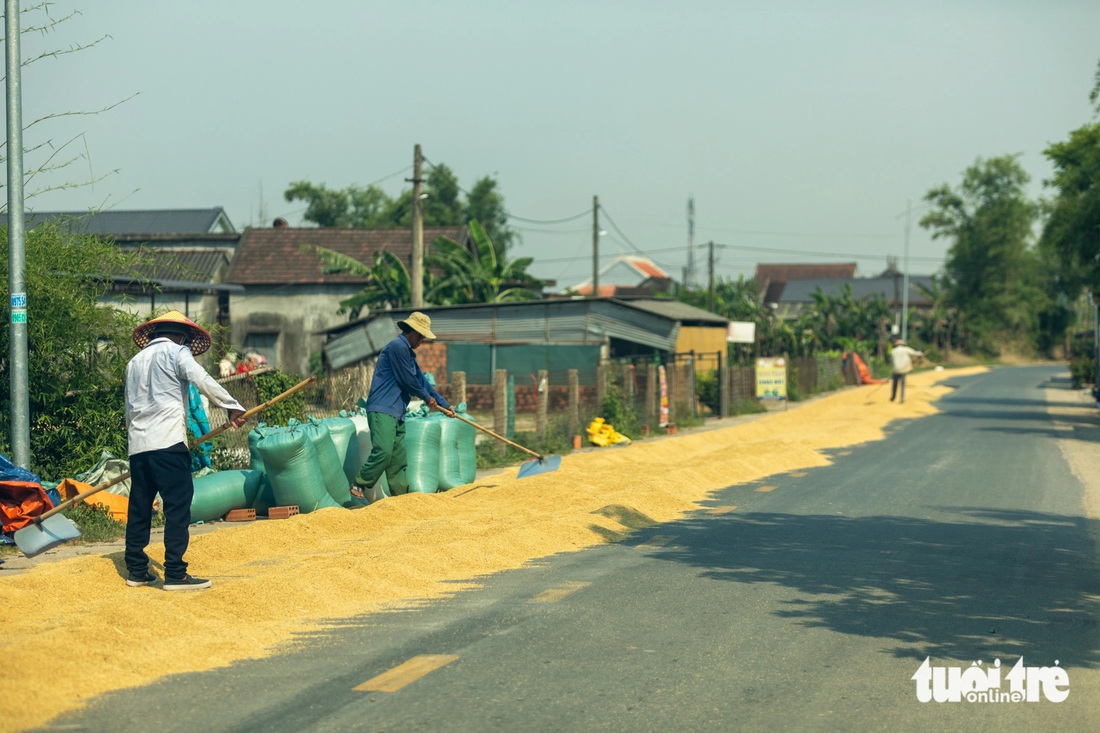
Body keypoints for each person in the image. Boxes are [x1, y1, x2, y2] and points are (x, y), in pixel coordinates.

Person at [124, 310, 248, 591]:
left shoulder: (134, 362)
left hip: (139, 447)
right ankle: (176, 574)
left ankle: (136, 570)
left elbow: (129, 409)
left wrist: (136, 443)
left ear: (155, 334)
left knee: (140, 508)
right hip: (168, 443)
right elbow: (202, 379)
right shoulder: (177, 353)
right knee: (178, 507)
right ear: (181, 336)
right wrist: (232, 406)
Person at [352, 312, 455, 498]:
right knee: (383, 452)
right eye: (422, 337)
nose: (422, 341)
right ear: (414, 332)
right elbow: (408, 380)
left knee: (398, 460)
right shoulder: (397, 347)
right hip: (382, 409)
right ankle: (359, 483)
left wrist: (444, 404)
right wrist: (426, 398)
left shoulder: (408, 354)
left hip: (397, 412)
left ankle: (401, 499)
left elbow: (421, 381)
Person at [890, 337, 924, 404]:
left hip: (896, 369)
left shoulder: (893, 351)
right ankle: (902, 398)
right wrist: (920, 354)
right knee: (902, 384)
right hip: (903, 369)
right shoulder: (906, 349)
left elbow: (892, 360)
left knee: (895, 384)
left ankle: (893, 397)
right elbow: (916, 353)